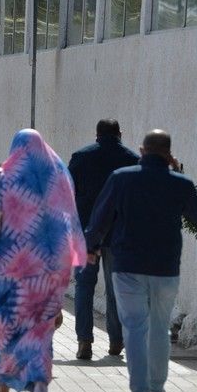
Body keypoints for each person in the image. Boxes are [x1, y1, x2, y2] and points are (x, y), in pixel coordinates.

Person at [85, 130, 197, 392]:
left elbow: (100, 217)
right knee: (160, 329)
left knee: (135, 329)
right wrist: (178, 172)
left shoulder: (121, 178)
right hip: (165, 267)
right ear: (169, 154)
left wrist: (90, 247)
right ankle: (155, 391)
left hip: (127, 266)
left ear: (141, 151)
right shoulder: (181, 183)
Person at [0, 129, 86, 392]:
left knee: (5, 332)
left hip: (2, 274)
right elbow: (66, 223)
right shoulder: (57, 181)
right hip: (46, 275)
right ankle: (41, 390)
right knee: (40, 331)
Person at [68, 119, 139, 360]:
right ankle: (116, 341)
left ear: (96, 135)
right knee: (115, 288)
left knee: (84, 286)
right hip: (119, 233)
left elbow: (69, 194)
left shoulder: (80, 157)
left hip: (86, 232)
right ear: (120, 133)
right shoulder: (131, 159)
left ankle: (84, 341)